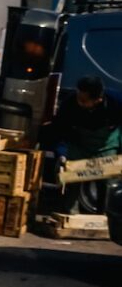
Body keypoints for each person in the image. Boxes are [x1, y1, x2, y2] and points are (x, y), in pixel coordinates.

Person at [51, 75, 122, 213]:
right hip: (79, 144)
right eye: (78, 97)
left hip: (106, 145)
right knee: (72, 180)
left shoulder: (116, 102)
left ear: (98, 99)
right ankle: (71, 214)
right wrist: (62, 154)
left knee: (107, 184)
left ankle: (103, 218)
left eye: (84, 101)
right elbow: (59, 131)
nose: (79, 102)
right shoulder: (70, 104)